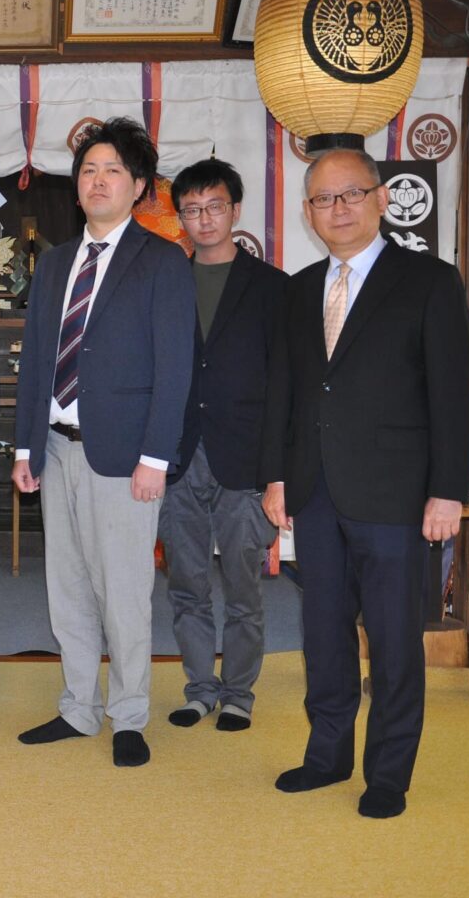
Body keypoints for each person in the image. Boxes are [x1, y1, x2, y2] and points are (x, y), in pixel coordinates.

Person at [260, 148, 469, 818]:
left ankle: (388, 774)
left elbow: (454, 393)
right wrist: (275, 476)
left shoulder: (430, 282)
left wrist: (449, 491)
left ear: (381, 199)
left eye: (353, 193)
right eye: (325, 199)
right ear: (308, 213)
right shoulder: (297, 290)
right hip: (316, 492)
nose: (340, 208)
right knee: (323, 635)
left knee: (392, 642)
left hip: (397, 496)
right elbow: (285, 393)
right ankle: (326, 757)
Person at [12, 117, 195, 767]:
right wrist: (25, 449)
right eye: (88, 169)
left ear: (139, 185)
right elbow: (38, 359)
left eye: (112, 169)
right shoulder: (58, 261)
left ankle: (127, 716)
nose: (97, 179)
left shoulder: (163, 261)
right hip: (57, 450)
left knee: (123, 591)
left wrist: (155, 458)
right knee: (67, 588)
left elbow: (176, 368)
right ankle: (78, 708)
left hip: (124, 458)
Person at [158, 159, 286, 732]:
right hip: (178, 455)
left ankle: (238, 692)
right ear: (178, 216)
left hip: (246, 457)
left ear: (235, 210)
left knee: (242, 586)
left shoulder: (275, 288)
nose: (203, 218)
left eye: (213, 207)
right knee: (185, 583)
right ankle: (198, 688)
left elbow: (287, 381)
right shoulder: (165, 282)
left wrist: (278, 468)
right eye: (191, 209)